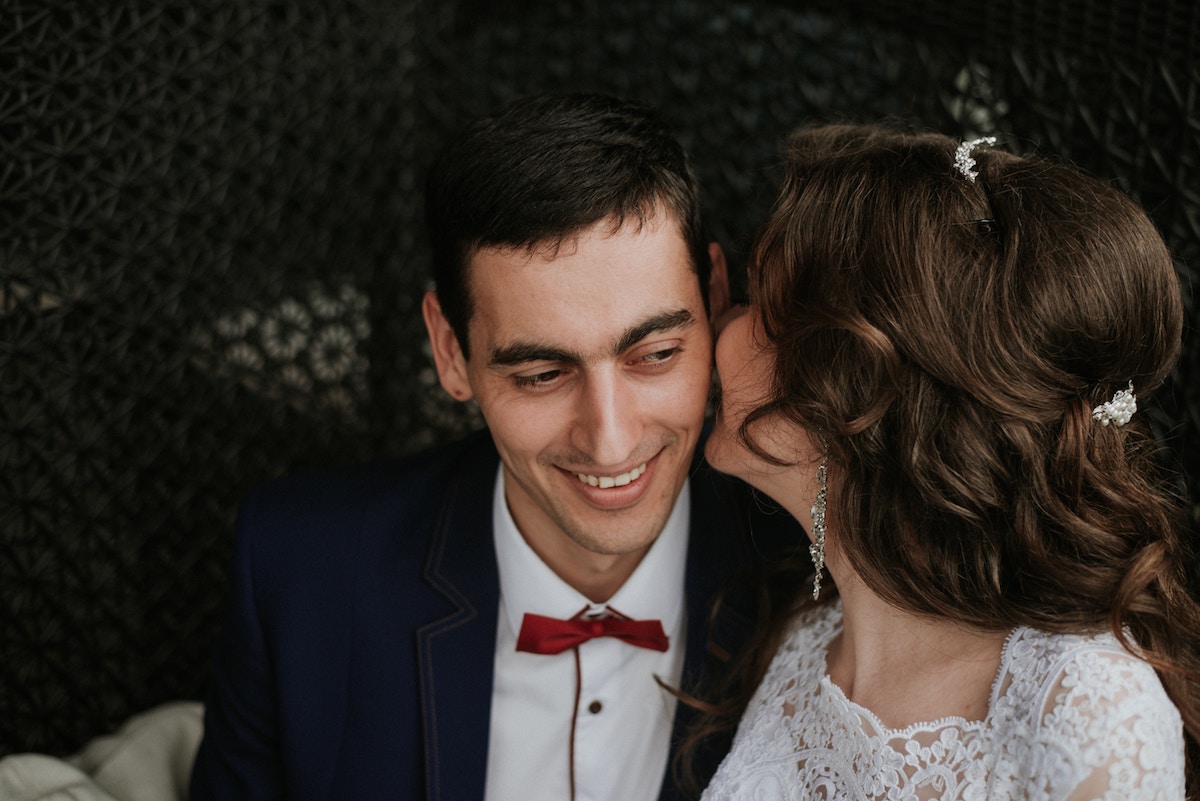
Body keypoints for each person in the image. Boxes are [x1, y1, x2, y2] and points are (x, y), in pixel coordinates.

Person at [189, 93, 796, 801]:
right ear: (451, 352)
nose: (611, 437)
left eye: (655, 353)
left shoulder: (810, 573)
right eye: (542, 374)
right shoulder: (300, 571)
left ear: (717, 294)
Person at [696, 123, 1200, 799]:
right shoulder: (800, 645)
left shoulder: (1084, 708)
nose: (721, 326)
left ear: (853, 388)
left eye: (761, 306)